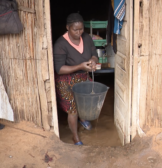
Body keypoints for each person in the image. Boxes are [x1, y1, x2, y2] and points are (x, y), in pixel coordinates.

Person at [53, 13, 98, 145]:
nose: (79, 32)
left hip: (83, 76)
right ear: (68, 27)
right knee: (73, 109)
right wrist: (80, 66)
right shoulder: (60, 44)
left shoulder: (87, 38)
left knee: (84, 102)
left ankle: (82, 119)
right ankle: (75, 137)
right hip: (66, 81)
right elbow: (59, 69)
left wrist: (93, 61)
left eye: (81, 29)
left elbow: (95, 54)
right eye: (75, 29)